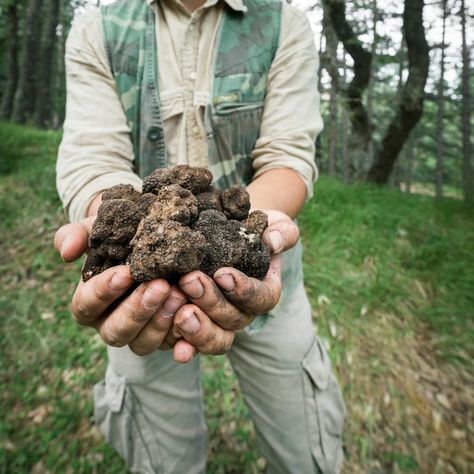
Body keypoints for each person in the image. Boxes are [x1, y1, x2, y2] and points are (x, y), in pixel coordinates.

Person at [54, 0, 346, 473]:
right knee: (161, 459)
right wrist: (114, 222)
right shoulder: (100, 29)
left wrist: (254, 231)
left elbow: (288, 154)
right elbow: (92, 157)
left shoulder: (283, 23)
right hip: (139, 290)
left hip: (265, 272)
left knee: (306, 450)